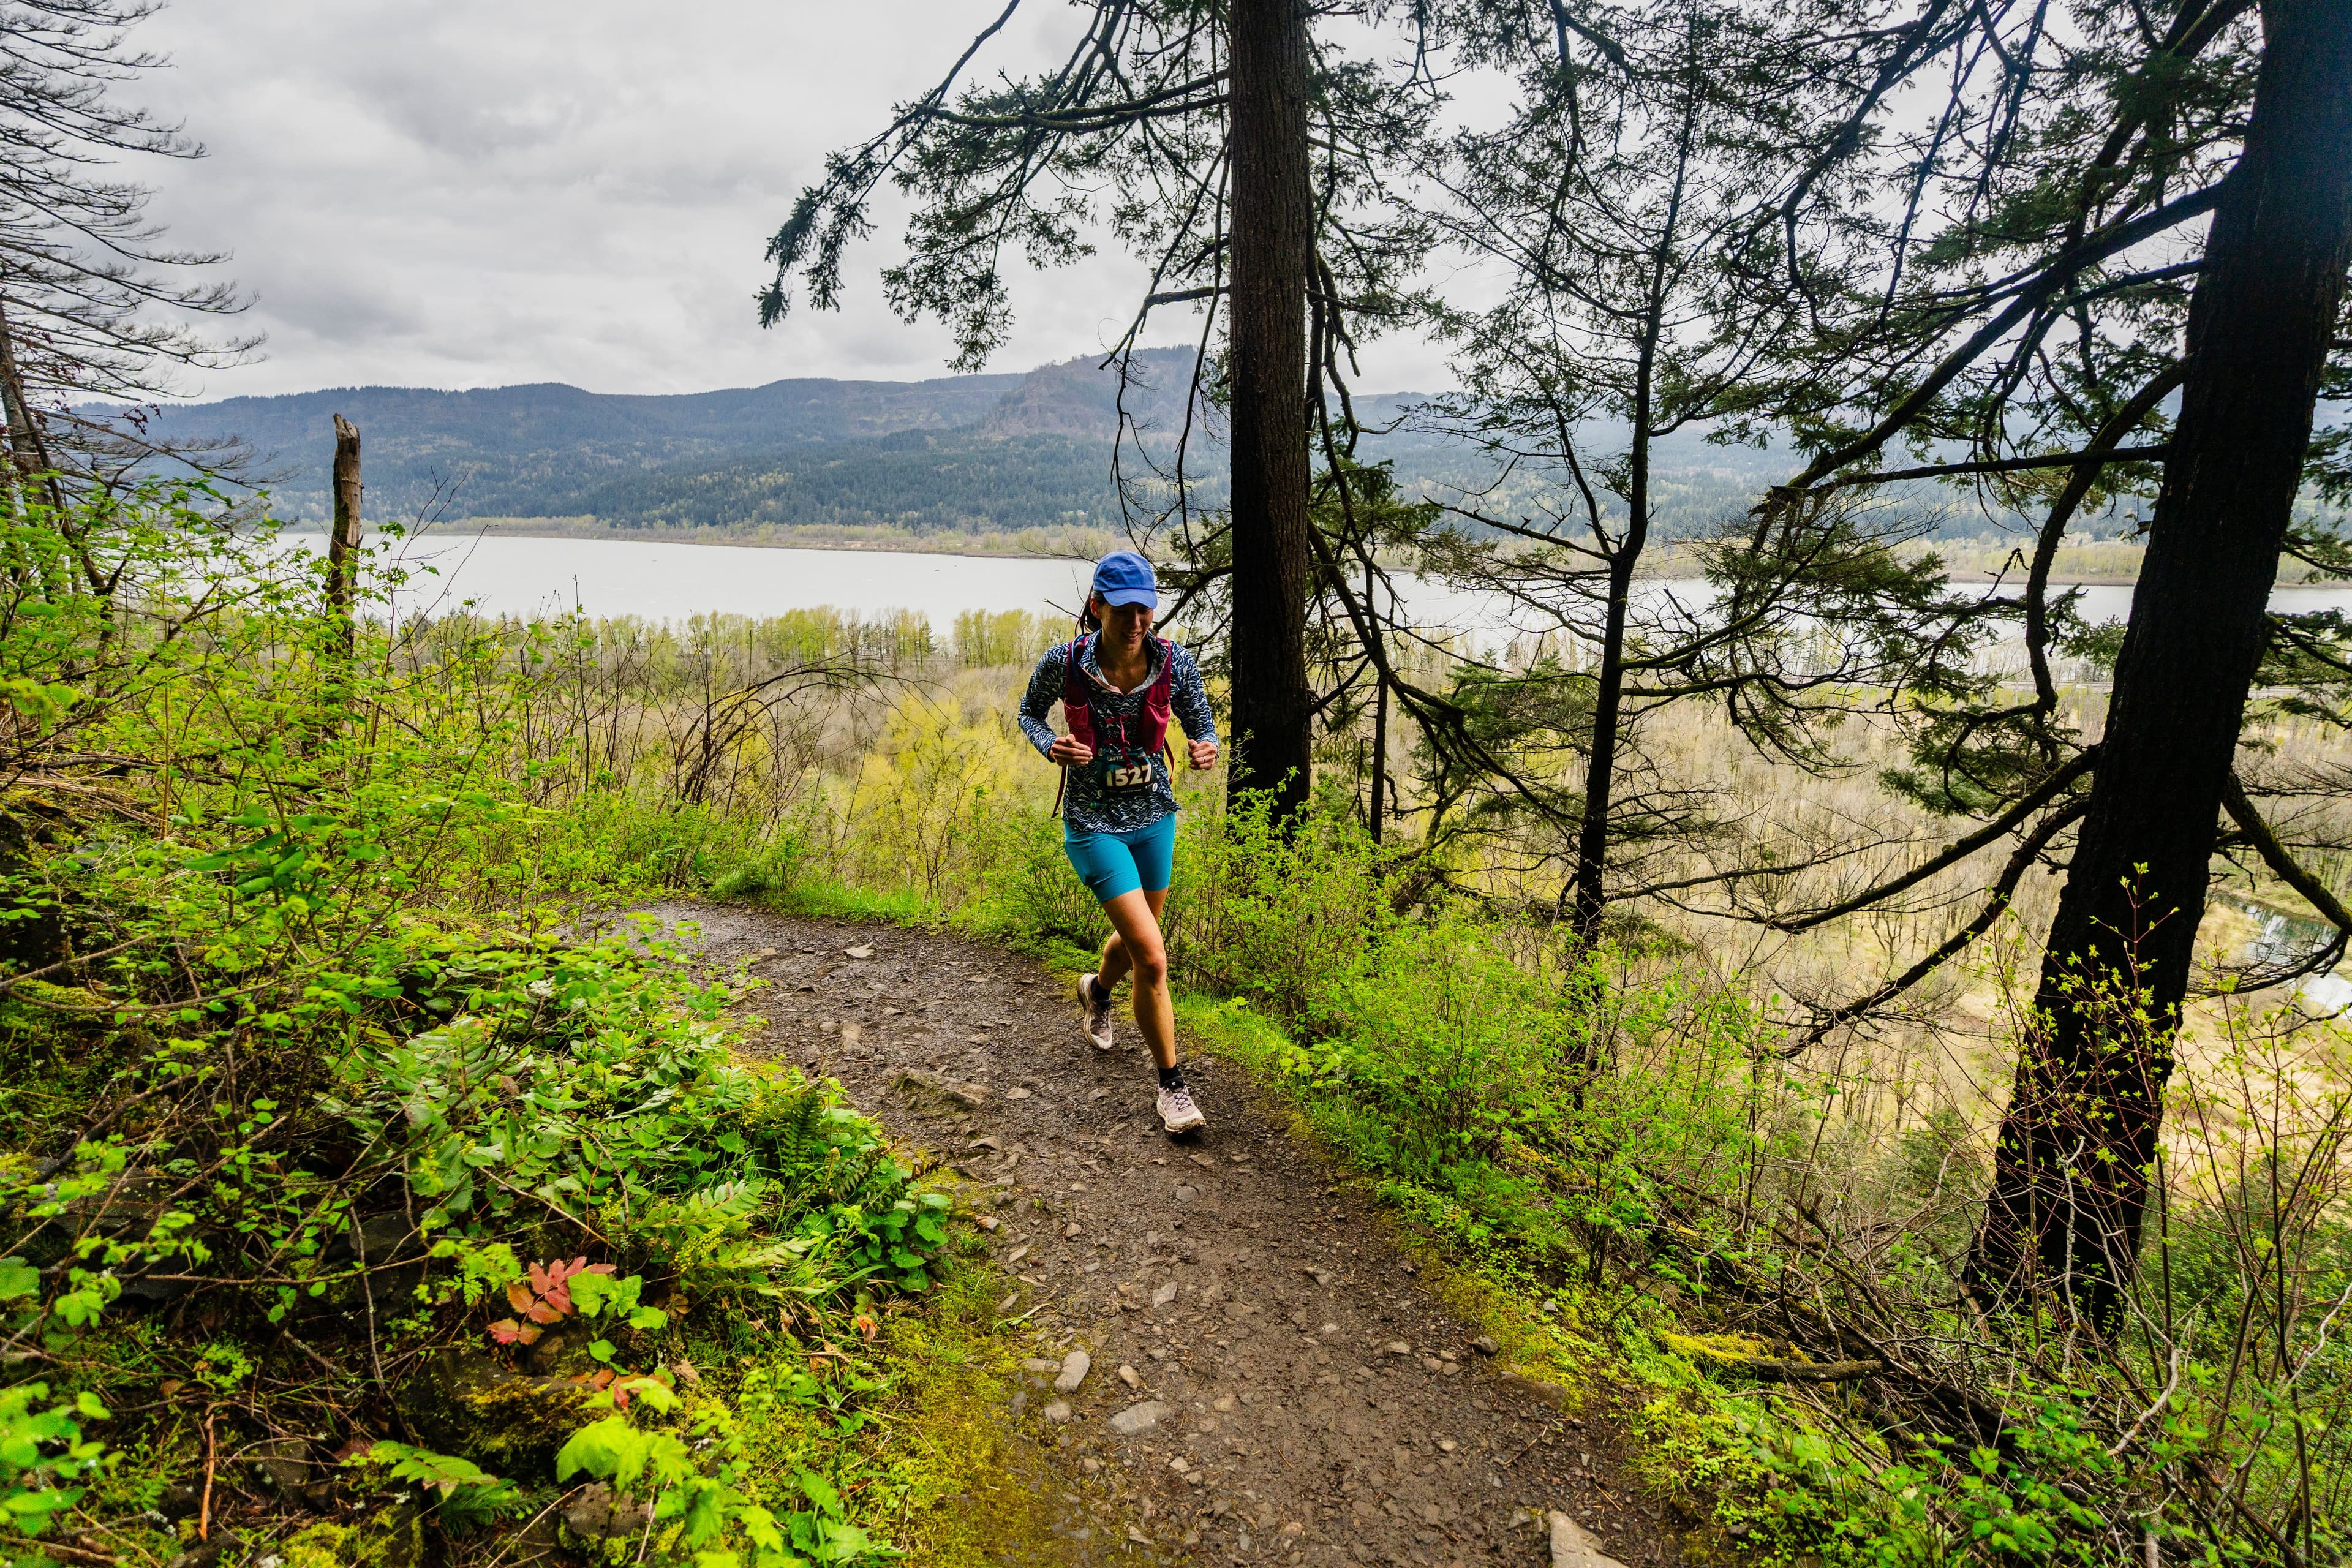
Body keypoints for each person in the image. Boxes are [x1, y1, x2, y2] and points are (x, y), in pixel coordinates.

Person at [1017, 550, 1218, 1134]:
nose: (1137, 624)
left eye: (1147, 611)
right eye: (1125, 610)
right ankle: (1172, 1089)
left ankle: (1097, 991)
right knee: (1154, 956)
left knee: (1137, 946)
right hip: (1092, 822)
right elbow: (1029, 714)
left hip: (1155, 816)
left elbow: (1201, 723)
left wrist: (1206, 746)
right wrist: (1049, 743)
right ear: (1097, 605)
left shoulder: (1174, 663)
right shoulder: (1067, 662)